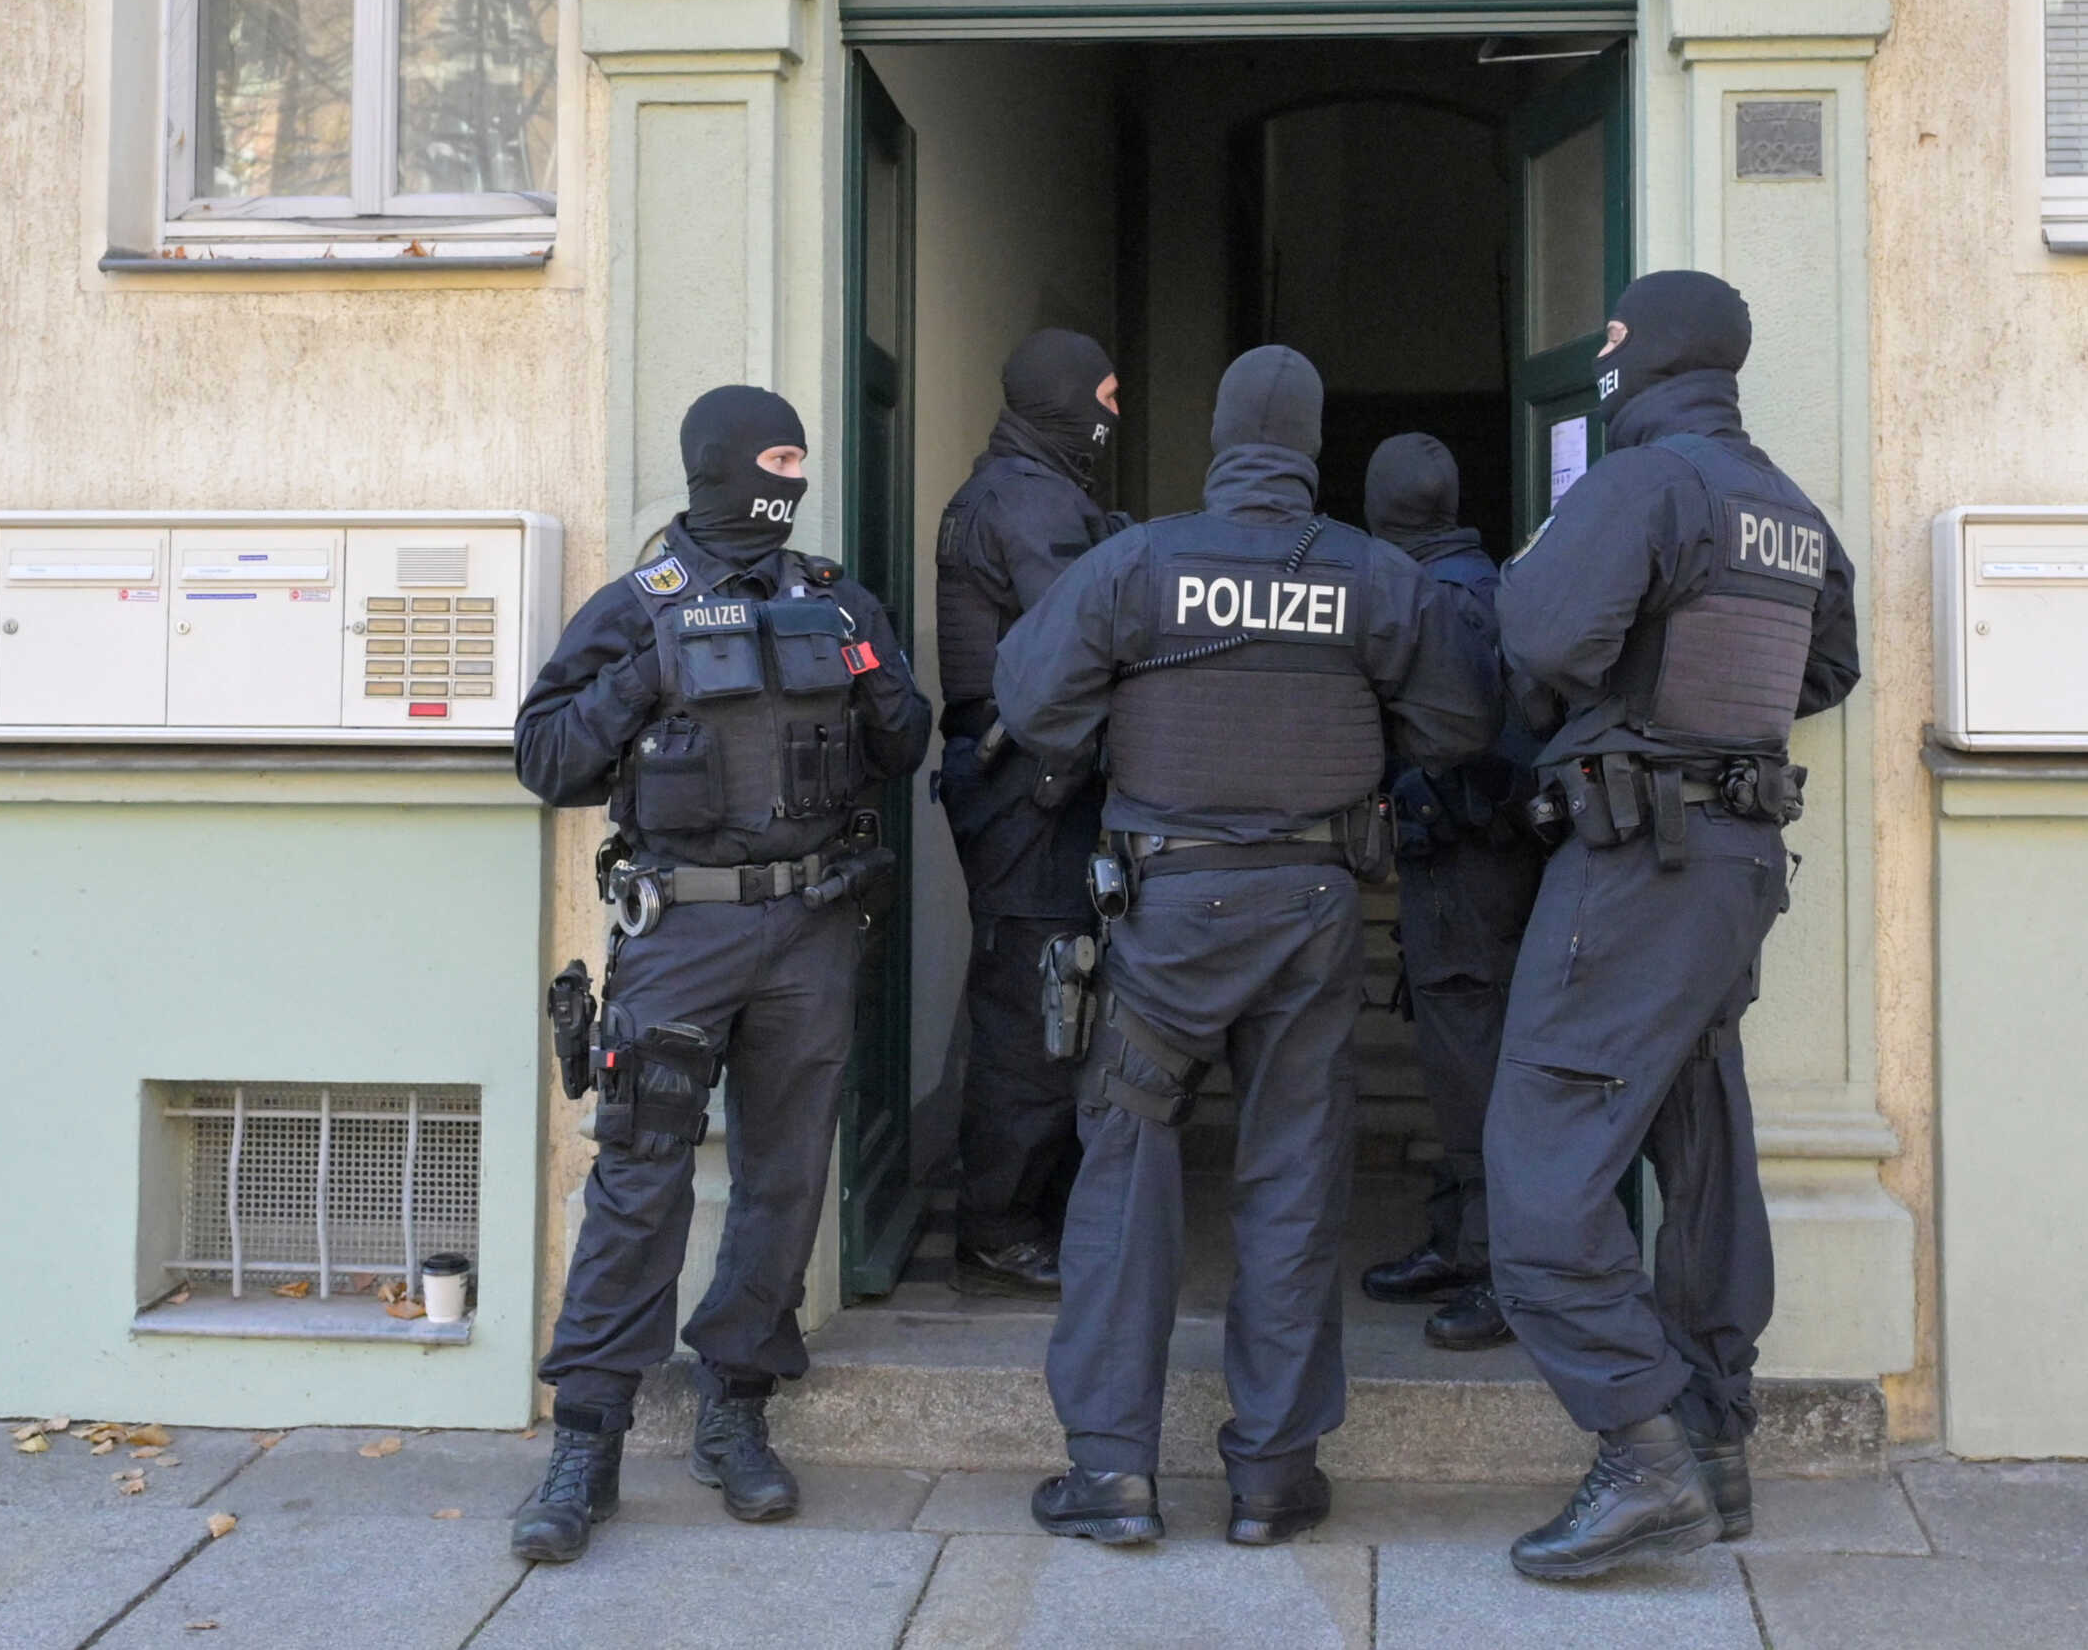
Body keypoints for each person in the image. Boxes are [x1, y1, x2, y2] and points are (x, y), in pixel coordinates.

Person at [994, 346, 1501, 1549]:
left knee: (1125, 1174)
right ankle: (1272, 1474)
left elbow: (1030, 703)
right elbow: (1458, 722)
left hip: (1165, 911)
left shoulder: (1134, 561)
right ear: (1312, 443)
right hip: (1313, 912)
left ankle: (1114, 1473)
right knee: (1291, 1176)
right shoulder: (1371, 576)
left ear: (1220, 438)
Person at [507, 385, 932, 1563]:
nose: (792, 478)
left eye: (800, 456)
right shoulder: (639, 603)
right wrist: (647, 671)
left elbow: (903, 746)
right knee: (639, 1176)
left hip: (812, 925)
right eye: (777, 456)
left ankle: (735, 1403)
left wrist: (879, 670)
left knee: (785, 1176)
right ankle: (585, 1438)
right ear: (723, 464)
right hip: (680, 932)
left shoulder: (833, 595)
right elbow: (545, 756)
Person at [1487, 271, 1860, 1582]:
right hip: (1736, 862)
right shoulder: (1788, 510)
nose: (1603, 353)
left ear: (1653, 352)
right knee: (1699, 1147)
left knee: (1539, 1162)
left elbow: (1536, 634)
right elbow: (1828, 667)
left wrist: (1629, 700)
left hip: (1639, 863)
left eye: (1615, 336)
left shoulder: (1643, 486)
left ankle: (1637, 1450)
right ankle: (1714, 1440)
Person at [933, 328, 1127, 1296]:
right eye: (1103, 393)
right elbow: (1083, 631)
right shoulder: (1024, 499)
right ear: (1061, 401)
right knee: (1033, 1004)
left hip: (1027, 782)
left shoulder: (1033, 490)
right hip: (1027, 787)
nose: (1113, 413)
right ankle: (1001, 1221)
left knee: (1051, 994)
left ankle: (1021, 1206)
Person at [1355, 433, 1546, 1352]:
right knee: (1456, 1056)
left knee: (1474, 1064)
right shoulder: (1492, 578)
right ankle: (1454, 1239)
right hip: (1482, 859)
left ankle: (1499, 1271)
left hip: (1468, 860)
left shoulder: (1427, 597)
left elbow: (1477, 743)